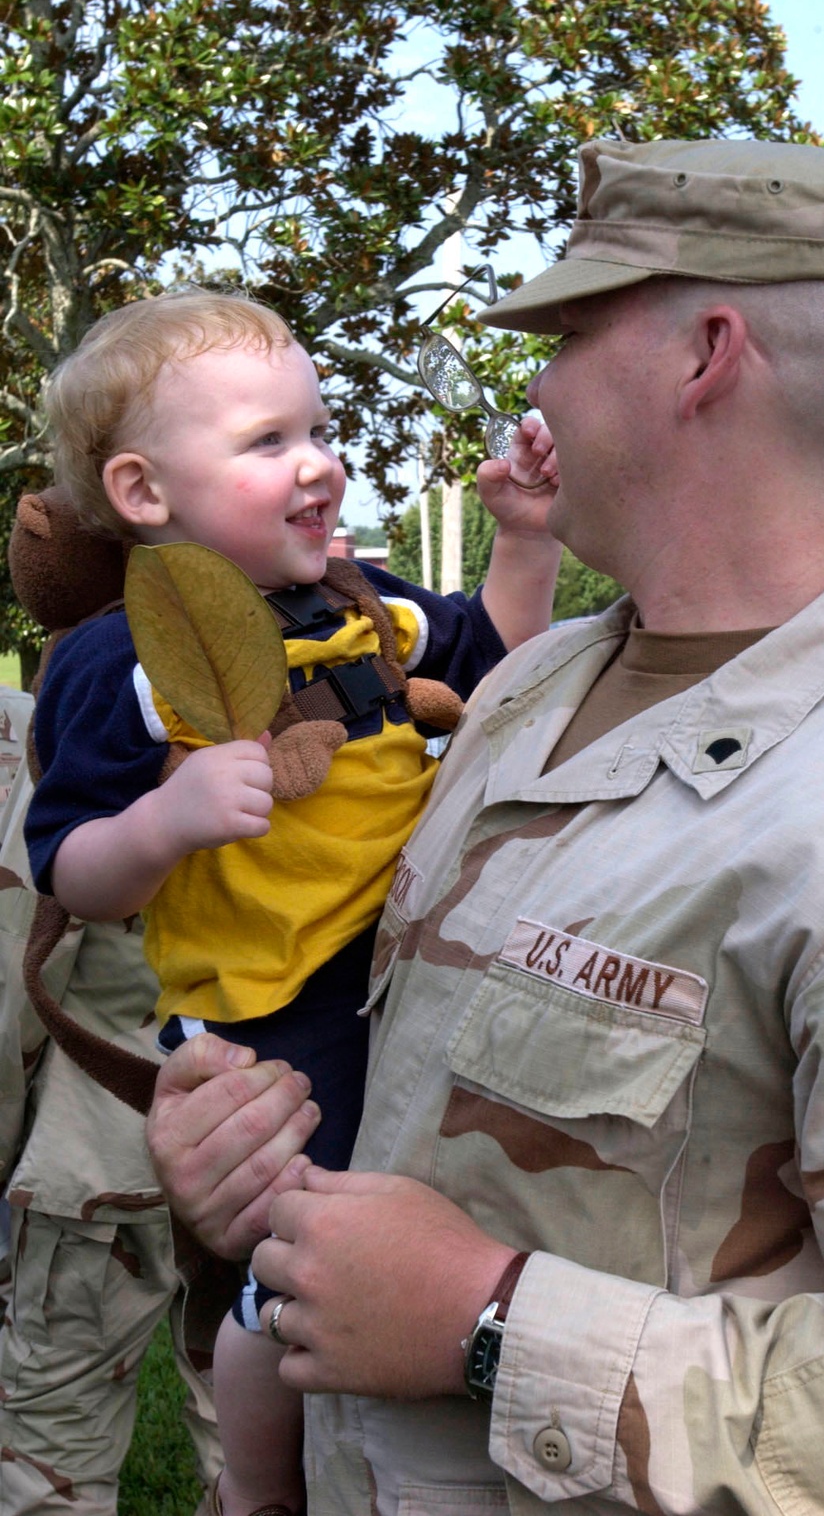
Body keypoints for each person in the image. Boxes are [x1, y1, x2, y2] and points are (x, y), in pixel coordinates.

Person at [148, 138, 824, 1514]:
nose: (533, 382)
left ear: (704, 355)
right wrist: (266, 1182)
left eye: (565, 333)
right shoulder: (529, 689)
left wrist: (494, 1324)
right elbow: (431, 1139)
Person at [23, 289, 561, 1516]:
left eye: (318, 431)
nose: (318, 463)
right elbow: (69, 863)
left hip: (411, 968)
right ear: (144, 493)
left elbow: (510, 670)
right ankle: (263, 1493)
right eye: (268, 443)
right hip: (276, 1009)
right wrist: (167, 818)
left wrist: (526, 541)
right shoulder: (125, 658)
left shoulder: (367, 607)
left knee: (426, 1214)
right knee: (302, 1272)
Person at [0, 686, 223, 1516]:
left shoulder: (69, 703)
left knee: (58, 1438)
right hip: (260, 1120)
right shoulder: (334, 688)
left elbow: (25, 953)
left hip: (102, 1148)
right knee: (265, 1425)